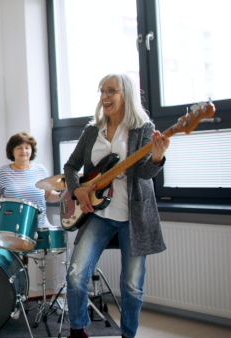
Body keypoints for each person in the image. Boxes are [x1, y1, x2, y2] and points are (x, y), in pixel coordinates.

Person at [63, 73, 169, 338]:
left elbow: (143, 174)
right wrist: (77, 189)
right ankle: (78, 330)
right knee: (76, 275)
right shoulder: (92, 131)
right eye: (102, 91)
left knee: (132, 286)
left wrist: (156, 158)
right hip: (98, 215)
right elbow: (71, 166)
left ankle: (128, 335)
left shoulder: (143, 129)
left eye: (111, 91)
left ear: (127, 95)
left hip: (134, 217)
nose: (105, 97)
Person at [0, 131, 61, 229]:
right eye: (19, 148)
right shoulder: (3, 171)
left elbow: (48, 196)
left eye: (27, 148)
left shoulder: (41, 169)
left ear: (32, 150)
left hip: (38, 224)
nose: (23, 151)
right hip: (12, 226)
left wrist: (64, 194)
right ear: (12, 151)